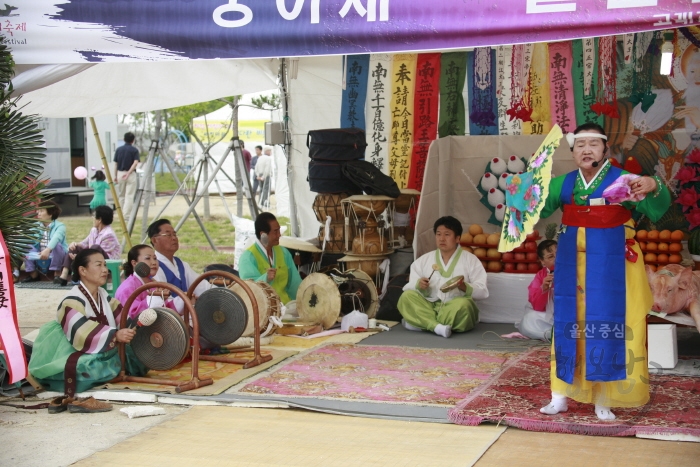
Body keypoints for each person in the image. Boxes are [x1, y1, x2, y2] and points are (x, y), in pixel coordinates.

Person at [538, 122, 670, 421]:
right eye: (580, 145)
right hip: (574, 266)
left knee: (610, 325)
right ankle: (559, 394)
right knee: (569, 324)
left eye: (593, 144)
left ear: (605, 149)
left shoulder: (623, 178)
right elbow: (538, 208)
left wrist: (653, 185)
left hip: (614, 266)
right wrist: (522, 190)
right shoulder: (564, 183)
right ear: (572, 153)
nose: (586, 150)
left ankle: (605, 396)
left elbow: (656, 207)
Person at [28, 248, 148, 413]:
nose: (105, 270)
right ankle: (75, 394)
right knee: (87, 367)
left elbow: (122, 317)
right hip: (72, 349)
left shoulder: (103, 295)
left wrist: (131, 329)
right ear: (82, 270)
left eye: (105, 265)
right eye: (98, 265)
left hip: (103, 346)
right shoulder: (71, 300)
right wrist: (115, 335)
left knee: (137, 356)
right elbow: (81, 332)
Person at [397, 216, 489, 338]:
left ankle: (423, 323)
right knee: (406, 297)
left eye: (447, 234)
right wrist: (419, 285)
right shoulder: (424, 260)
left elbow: (483, 291)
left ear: (457, 238)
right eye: (438, 234)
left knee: (464, 305)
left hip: (452, 308)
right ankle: (437, 327)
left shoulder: (470, 260)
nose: (442, 239)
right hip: (428, 305)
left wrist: (464, 286)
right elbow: (410, 286)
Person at [148, 219, 211, 315]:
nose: (174, 238)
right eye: (168, 235)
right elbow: (162, 303)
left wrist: (224, 291)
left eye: (174, 234)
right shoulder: (154, 268)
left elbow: (201, 285)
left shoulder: (181, 264)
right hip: (171, 319)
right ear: (154, 240)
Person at [239, 212, 302, 304]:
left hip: (286, 307)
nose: (279, 235)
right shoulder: (248, 257)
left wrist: (303, 299)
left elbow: (295, 283)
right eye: (275, 231)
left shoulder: (284, 252)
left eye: (279, 230)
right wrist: (265, 278)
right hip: (263, 310)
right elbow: (249, 288)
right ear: (263, 234)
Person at [54, 205, 121, 286]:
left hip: (106, 261)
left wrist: (80, 257)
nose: (92, 218)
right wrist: (75, 244)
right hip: (93, 256)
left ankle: (77, 276)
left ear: (99, 219)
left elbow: (97, 254)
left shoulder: (109, 235)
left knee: (95, 248)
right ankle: (64, 276)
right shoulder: (94, 230)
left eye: (94, 216)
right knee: (74, 247)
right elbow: (84, 243)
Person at [116, 244, 176, 320]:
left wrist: (181, 302)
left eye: (155, 258)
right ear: (134, 263)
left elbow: (167, 308)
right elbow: (135, 316)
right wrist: (157, 297)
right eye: (148, 258)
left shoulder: (153, 284)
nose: (154, 262)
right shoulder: (127, 288)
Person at [515, 240, 557, 340]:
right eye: (551, 257)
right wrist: (544, 289)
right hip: (551, 318)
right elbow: (537, 307)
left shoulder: (575, 270)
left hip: (572, 316)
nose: (557, 259)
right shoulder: (540, 276)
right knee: (529, 319)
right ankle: (549, 335)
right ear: (542, 261)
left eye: (559, 254)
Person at [22, 200, 68, 282]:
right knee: (25, 245)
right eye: (38, 211)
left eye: (41, 211)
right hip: (39, 255)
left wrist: (47, 249)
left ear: (50, 214)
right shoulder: (36, 225)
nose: (38, 213)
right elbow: (26, 236)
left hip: (55, 256)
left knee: (57, 245)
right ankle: (33, 274)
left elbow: (56, 238)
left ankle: (57, 273)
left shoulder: (60, 226)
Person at [113, 131, 140, 222]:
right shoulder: (134, 150)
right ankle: (126, 216)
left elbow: (116, 164)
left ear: (124, 139)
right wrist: (128, 173)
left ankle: (120, 214)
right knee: (129, 195)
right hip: (131, 174)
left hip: (120, 173)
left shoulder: (118, 150)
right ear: (133, 140)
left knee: (121, 195)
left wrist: (115, 175)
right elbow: (135, 162)